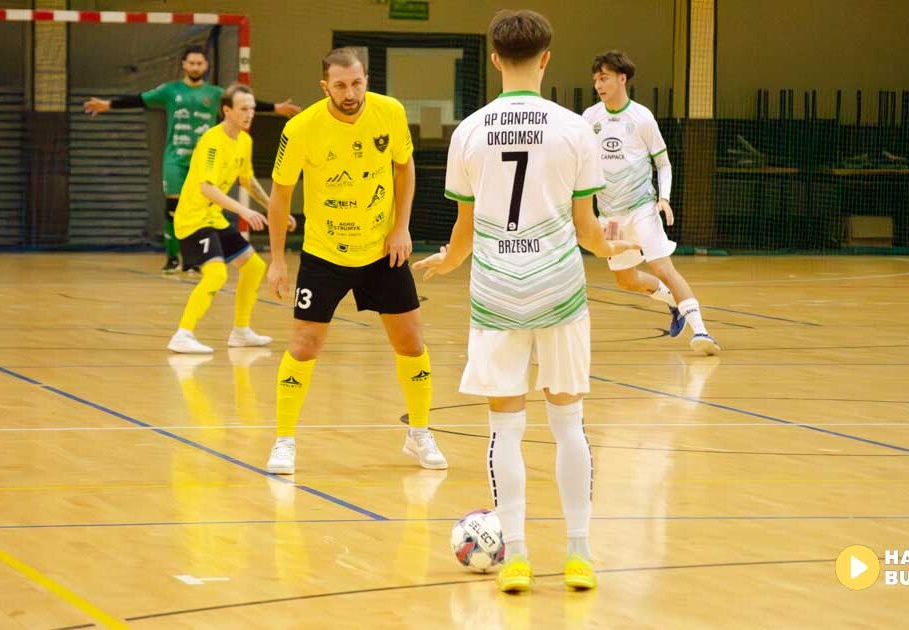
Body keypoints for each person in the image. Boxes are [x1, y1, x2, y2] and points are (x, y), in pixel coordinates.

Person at [413, 10, 639, 593]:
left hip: (495, 295)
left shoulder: (469, 131)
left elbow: (462, 235)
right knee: (569, 425)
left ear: (494, 59)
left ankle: (515, 557)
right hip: (559, 290)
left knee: (504, 430)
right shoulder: (574, 129)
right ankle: (579, 554)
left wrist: (445, 260)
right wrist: (624, 260)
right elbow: (588, 229)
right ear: (545, 58)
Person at [263, 47, 446, 475]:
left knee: (411, 341)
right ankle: (284, 441)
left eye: (358, 82)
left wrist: (402, 228)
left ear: (366, 79)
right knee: (305, 344)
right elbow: (280, 193)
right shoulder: (302, 127)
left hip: (383, 249)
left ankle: (419, 433)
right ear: (325, 85)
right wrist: (276, 260)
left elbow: (405, 167)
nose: (351, 92)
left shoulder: (390, 112)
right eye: (341, 85)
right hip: (324, 253)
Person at [84, 45, 301, 273]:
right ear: (184, 65)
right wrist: (108, 105)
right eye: (192, 63)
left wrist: (277, 108)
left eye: (200, 63)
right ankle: (172, 258)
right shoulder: (170, 91)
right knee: (174, 207)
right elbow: (139, 99)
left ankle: (198, 255)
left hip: (206, 160)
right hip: (176, 159)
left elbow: (244, 104)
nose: (196, 67)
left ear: (206, 66)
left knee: (207, 205)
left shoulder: (215, 93)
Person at [582, 50, 719, 355]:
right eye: (595, 80)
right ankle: (674, 304)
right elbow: (582, 163)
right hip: (611, 217)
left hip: (642, 207)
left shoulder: (642, 117)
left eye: (604, 78)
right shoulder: (590, 118)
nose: (599, 85)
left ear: (622, 78)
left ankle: (703, 333)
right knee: (626, 280)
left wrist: (664, 198)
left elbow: (663, 163)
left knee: (661, 266)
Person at [165, 83, 295, 354]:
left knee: (254, 267)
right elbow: (207, 188)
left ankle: (240, 331)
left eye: (252, 109)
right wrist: (244, 211)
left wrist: (274, 208)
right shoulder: (213, 140)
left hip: (214, 218)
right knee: (216, 274)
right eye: (243, 109)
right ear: (227, 110)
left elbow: (246, 181)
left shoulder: (244, 141)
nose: (249, 114)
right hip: (193, 220)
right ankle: (183, 334)